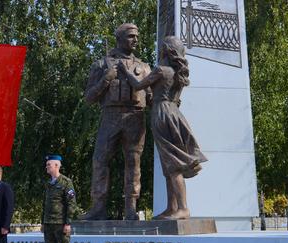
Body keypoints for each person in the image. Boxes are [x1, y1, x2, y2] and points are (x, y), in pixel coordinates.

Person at [118, 36, 207, 219]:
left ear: (166, 50)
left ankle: (182, 208)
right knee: (169, 163)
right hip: (175, 113)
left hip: (162, 113)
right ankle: (172, 207)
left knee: (173, 165)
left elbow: (138, 85)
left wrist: (125, 71)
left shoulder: (161, 70)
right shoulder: (179, 73)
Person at [81, 23, 152, 221]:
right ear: (119, 38)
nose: (135, 40)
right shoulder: (102, 65)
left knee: (133, 162)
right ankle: (98, 207)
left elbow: (152, 96)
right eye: (131, 36)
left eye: (136, 36)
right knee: (100, 160)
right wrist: (106, 78)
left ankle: (131, 208)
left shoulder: (145, 67)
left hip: (135, 117)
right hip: (110, 116)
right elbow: (89, 97)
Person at [40, 155, 76, 243]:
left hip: (61, 224)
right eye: (47, 164)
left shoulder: (66, 182)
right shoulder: (48, 184)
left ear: (56, 165)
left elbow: (71, 204)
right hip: (48, 223)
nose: (46, 166)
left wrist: (68, 223)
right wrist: (42, 221)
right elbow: (45, 204)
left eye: (49, 164)